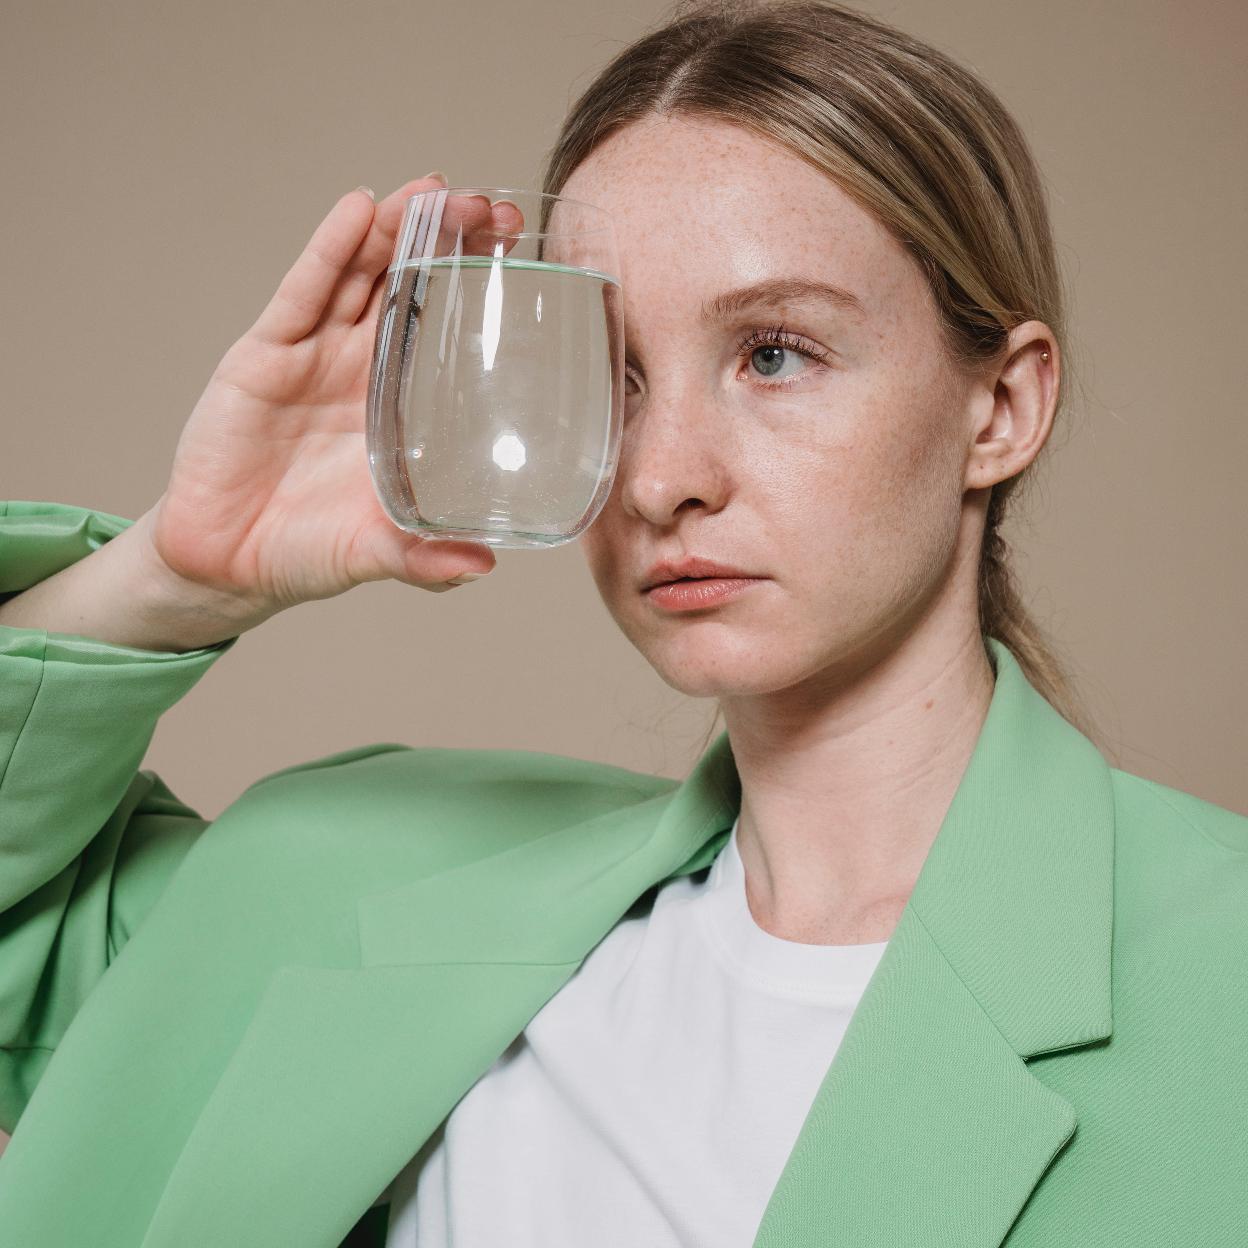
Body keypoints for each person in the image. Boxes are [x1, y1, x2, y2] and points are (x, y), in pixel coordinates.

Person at [0, 0, 1244, 1244]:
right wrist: (180, 571)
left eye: (774, 353)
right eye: (612, 379)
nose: (660, 480)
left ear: (1001, 409)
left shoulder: (1218, 978)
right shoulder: (340, 884)